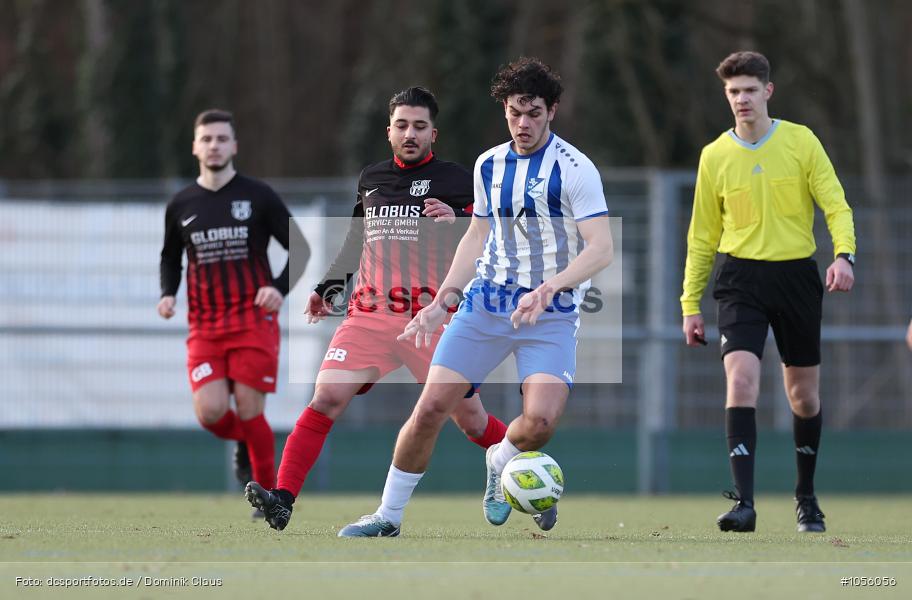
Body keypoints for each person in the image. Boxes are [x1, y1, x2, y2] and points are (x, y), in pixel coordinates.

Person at [337, 57, 613, 537]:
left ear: (552, 111)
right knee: (429, 408)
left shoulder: (575, 169)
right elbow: (476, 235)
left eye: (533, 113)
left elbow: (602, 249)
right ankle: (387, 516)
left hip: (552, 310)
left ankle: (501, 456)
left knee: (541, 422)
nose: (522, 124)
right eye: (513, 113)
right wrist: (442, 299)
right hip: (486, 302)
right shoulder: (489, 164)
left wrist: (549, 289)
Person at [244, 87, 508, 531]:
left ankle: (526, 464)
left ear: (433, 133)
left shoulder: (459, 180)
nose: (410, 133)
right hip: (368, 316)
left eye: (419, 126)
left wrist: (458, 217)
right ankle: (283, 497)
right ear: (389, 131)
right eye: (402, 125)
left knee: (470, 419)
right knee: (326, 397)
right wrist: (328, 287)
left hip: (430, 318)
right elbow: (355, 241)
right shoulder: (372, 178)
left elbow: (493, 233)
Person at [680, 51, 856, 533]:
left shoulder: (801, 141)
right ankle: (745, 503)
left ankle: (806, 496)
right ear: (726, 96)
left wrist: (844, 255)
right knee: (740, 381)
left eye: (750, 90)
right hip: (740, 281)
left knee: (803, 396)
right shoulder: (715, 155)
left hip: (797, 277)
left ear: (768, 92)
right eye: (733, 92)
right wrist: (690, 304)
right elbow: (701, 237)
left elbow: (835, 204)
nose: (741, 99)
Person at [158, 109, 308, 515]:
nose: (214, 145)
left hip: (252, 322)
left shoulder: (257, 196)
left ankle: (269, 499)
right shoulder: (181, 204)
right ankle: (245, 439)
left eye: (222, 138)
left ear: (234, 145)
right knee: (209, 413)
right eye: (206, 139)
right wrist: (167, 294)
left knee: (249, 407)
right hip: (205, 327)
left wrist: (277, 289)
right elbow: (171, 257)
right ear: (195, 146)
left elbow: (301, 247)